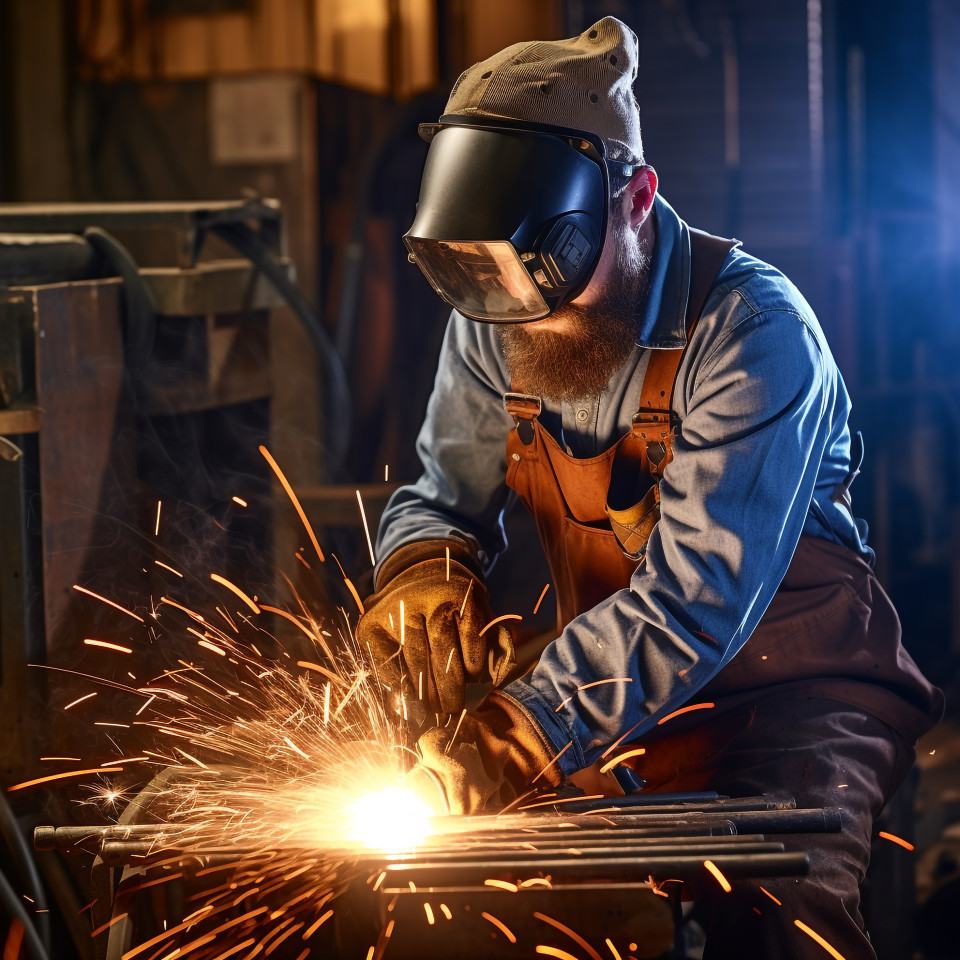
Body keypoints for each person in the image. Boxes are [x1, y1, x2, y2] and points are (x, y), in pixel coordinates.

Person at [356, 16, 943, 960]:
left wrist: (515, 735)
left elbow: (692, 603)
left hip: (792, 700)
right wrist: (424, 568)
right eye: (490, 281)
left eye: (550, 269)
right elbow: (441, 494)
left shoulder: (753, 333)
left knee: (782, 923)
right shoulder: (499, 301)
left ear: (634, 200)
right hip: (612, 696)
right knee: (521, 910)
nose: (526, 318)